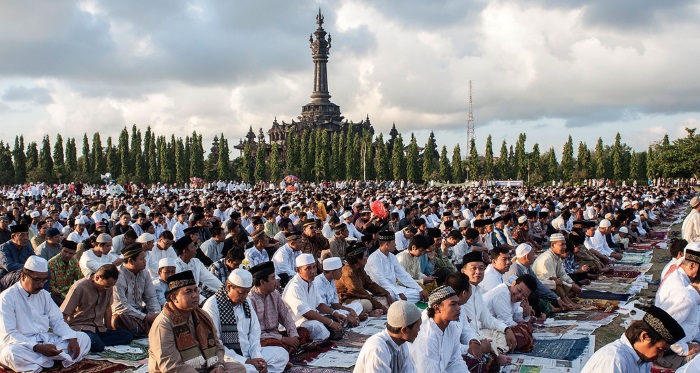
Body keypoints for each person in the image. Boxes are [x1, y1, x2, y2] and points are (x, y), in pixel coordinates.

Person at [0, 256, 91, 372]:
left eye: (44, 280)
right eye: (37, 280)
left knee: (83, 338)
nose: (41, 285)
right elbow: (9, 334)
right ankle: (54, 358)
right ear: (23, 276)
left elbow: (57, 321)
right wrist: (37, 347)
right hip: (23, 344)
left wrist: (71, 336)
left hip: (45, 340)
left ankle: (44, 360)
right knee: (11, 354)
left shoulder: (44, 295)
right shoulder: (6, 298)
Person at [148, 270, 246, 373]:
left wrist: (219, 365)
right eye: (188, 291)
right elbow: (170, 366)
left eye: (196, 290)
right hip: (179, 370)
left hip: (204, 367)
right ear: (174, 298)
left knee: (239, 369)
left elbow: (218, 346)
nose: (195, 295)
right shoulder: (163, 324)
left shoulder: (202, 316)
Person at [203, 269, 289, 373]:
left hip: (249, 354)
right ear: (229, 287)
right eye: (241, 293)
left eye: (247, 292)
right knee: (246, 369)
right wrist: (247, 361)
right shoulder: (212, 306)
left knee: (281, 354)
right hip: (229, 358)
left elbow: (254, 332)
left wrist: (258, 358)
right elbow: (217, 344)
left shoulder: (246, 302)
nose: (244, 296)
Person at [581, 305, 685, 373]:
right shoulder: (614, 359)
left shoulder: (643, 358)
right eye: (660, 349)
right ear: (645, 337)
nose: (661, 356)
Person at [61, 264, 134, 352]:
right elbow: (64, 313)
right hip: (82, 328)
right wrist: (69, 336)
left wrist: (108, 329)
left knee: (128, 335)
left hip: (99, 328)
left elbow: (108, 308)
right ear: (97, 277)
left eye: (111, 286)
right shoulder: (79, 287)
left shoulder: (109, 287)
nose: (108, 289)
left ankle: (93, 341)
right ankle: (89, 341)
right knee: (97, 345)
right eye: (106, 286)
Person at [461, 251, 517, 363]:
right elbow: (466, 331)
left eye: (481, 268)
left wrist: (506, 328)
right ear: (463, 271)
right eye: (473, 268)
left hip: (479, 335)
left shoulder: (477, 291)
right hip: (467, 341)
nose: (478, 272)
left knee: (502, 334)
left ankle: (494, 355)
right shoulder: (460, 294)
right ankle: (494, 357)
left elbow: (487, 318)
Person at [248, 262, 310, 353]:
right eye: (273, 278)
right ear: (262, 282)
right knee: (273, 345)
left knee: (304, 332)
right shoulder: (250, 300)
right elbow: (254, 333)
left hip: (276, 334)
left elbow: (286, 317)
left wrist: (293, 337)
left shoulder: (275, 294)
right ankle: (288, 349)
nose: (276, 281)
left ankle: (290, 348)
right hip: (262, 338)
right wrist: (283, 339)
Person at [282, 253, 342, 341]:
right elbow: (306, 313)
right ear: (298, 270)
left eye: (314, 267)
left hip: (310, 319)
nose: (313, 271)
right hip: (296, 323)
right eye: (308, 268)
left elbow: (320, 305)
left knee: (339, 317)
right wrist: (330, 322)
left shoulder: (311, 281)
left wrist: (334, 313)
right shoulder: (294, 287)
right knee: (318, 328)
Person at [410, 285, 469, 373]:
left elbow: (455, 361)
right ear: (437, 308)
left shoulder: (452, 327)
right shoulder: (426, 337)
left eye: (458, 304)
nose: (458, 308)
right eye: (453, 304)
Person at [353, 301, 421, 373]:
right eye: (418, 326)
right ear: (404, 330)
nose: (419, 330)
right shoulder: (377, 348)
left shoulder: (402, 343)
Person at [505, 243, 575, 312]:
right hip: (518, 300)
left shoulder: (527, 267)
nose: (534, 256)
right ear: (527, 256)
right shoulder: (515, 270)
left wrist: (557, 298)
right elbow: (516, 294)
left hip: (525, 297)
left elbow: (539, 285)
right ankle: (554, 309)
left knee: (545, 294)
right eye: (533, 254)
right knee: (536, 297)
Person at [112, 243, 161, 337]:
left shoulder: (145, 273)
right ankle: (149, 328)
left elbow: (151, 297)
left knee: (164, 310)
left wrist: (156, 314)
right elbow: (121, 306)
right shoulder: (117, 276)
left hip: (141, 313)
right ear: (131, 261)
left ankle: (148, 328)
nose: (145, 262)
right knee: (118, 319)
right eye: (142, 259)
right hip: (125, 314)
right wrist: (147, 318)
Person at [365, 230, 426, 303]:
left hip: (394, 287)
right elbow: (380, 281)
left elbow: (403, 275)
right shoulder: (374, 258)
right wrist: (398, 292)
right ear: (387, 244)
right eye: (394, 242)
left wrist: (419, 289)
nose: (395, 245)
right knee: (392, 295)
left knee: (416, 293)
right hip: (381, 289)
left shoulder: (392, 256)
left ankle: (399, 302)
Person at [483, 274, 538, 352]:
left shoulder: (513, 294)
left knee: (525, 328)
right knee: (519, 332)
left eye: (524, 295)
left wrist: (525, 313)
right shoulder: (502, 293)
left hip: (497, 325)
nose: (519, 296)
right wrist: (523, 330)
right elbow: (506, 321)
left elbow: (515, 316)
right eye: (519, 290)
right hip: (482, 328)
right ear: (513, 283)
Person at [335, 245, 390, 316]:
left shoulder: (359, 268)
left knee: (383, 298)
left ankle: (374, 311)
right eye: (365, 256)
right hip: (347, 300)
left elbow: (370, 284)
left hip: (359, 297)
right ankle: (369, 313)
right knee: (367, 304)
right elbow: (361, 292)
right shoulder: (348, 273)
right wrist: (380, 306)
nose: (367, 258)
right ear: (358, 259)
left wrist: (386, 293)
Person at [532, 233, 581, 300]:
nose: (565, 247)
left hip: (553, 285)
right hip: (543, 289)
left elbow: (562, 274)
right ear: (553, 245)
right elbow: (553, 282)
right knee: (556, 283)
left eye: (565, 244)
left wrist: (572, 284)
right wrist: (571, 287)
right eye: (562, 244)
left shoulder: (557, 257)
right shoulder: (547, 259)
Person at [315, 257, 363, 325]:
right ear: (332, 273)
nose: (342, 273)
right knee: (339, 317)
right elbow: (322, 309)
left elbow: (335, 304)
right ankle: (351, 319)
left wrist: (349, 310)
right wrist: (346, 315)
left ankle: (351, 319)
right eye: (340, 271)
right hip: (324, 313)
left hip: (334, 310)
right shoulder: (318, 283)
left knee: (358, 305)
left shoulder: (332, 280)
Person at [173, 235, 223, 301]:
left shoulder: (196, 262)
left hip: (196, 296)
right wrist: (202, 300)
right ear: (185, 251)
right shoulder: (175, 266)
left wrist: (224, 290)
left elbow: (210, 279)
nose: (195, 249)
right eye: (193, 247)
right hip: (183, 299)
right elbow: (184, 289)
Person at [0, 223, 34, 291]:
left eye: (27, 235)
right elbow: (9, 266)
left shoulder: (27, 246)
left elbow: (34, 260)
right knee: (22, 274)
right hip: (6, 278)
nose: (26, 238)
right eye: (22, 235)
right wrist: (28, 267)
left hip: (24, 273)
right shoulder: (3, 248)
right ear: (13, 237)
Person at [47, 240, 82, 305]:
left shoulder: (74, 261)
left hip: (71, 293)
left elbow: (80, 278)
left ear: (75, 254)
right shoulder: (51, 264)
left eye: (71, 253)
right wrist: (67, 297)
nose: (67, 255)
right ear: (60, 250)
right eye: (65, 251)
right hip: (57, 295)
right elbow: (51, 287)